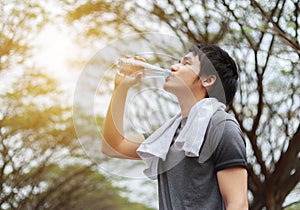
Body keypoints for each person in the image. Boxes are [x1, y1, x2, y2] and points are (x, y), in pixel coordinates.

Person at [102, 44, 248, 210]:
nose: (173, 67)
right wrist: (120, 88)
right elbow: (113, 146)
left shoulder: (221, 127)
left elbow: (238, 204)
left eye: (186, 63)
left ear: (207, 79)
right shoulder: (166, 137)